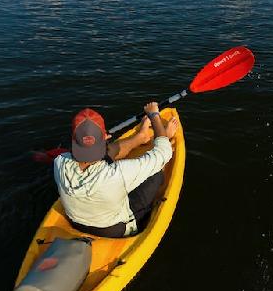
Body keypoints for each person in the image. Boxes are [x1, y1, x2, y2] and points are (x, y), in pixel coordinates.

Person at [53, 102, 179, 238]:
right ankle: (161, 135)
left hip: (76, 222)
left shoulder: (60, 161)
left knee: (106, 153)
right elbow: (164, 152)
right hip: (116, 228)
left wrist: (102, 142)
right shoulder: (118, 173)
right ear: (106, 137)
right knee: (156, 175)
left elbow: (104, 152)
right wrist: (154, 115)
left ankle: (140, 137)